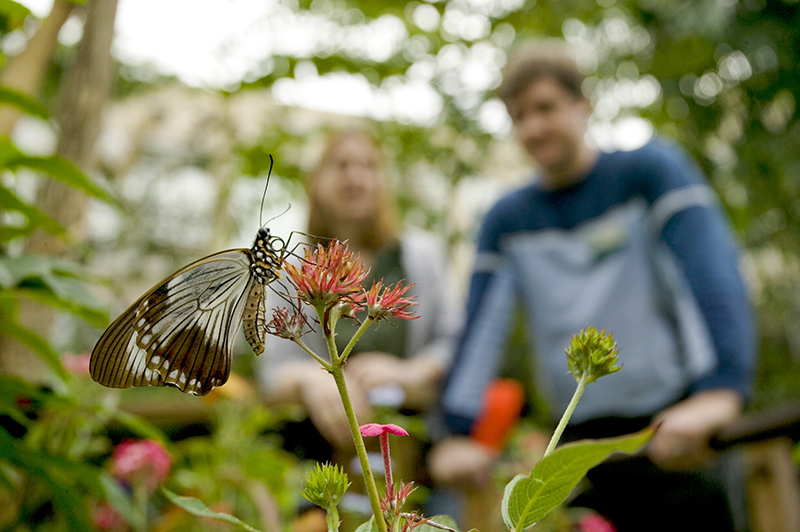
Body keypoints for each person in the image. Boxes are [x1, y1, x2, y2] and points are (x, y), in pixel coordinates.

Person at [431, 41, 756, 532]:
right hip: (579, 451)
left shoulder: (649, 174)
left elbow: (708, 278)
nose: (534, 127)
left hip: (676, 431)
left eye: (545, 108)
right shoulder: (507, 220)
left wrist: (722, 389)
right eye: (519, 116)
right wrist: (454, 432)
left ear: (582, 106)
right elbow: (480, 329)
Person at [256, 129, 460, 479]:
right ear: (316, 181)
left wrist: (410, 374)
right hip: (318, 451)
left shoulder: (421, 255)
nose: (356, 176)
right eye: (341, 164)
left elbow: (453, 340)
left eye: (368, 165)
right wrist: (311, 378)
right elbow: (271, 371)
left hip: (412, 446)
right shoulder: (290, 267)